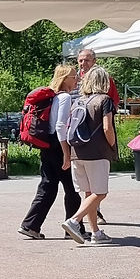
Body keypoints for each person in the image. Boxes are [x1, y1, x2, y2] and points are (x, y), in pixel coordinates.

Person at [19, 62, 80, 240]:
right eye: (73, 76)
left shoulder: (52, 97)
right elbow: (61, 127)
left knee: (47, 186)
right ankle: (73, 227)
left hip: (47, 145)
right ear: (65, 78)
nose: (76, 80)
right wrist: (66, 154)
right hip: (59, 145)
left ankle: (30, 225)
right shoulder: (65, 98)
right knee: (72, 188)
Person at [61, 66, 118, 245]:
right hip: (97, 153)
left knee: (88, 193)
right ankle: (74, 220)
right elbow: (107, 127)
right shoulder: (105, 100)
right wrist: (113, 145)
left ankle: (95, 233)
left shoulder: (77, 100)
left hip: (77, 151)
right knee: (100, 192)